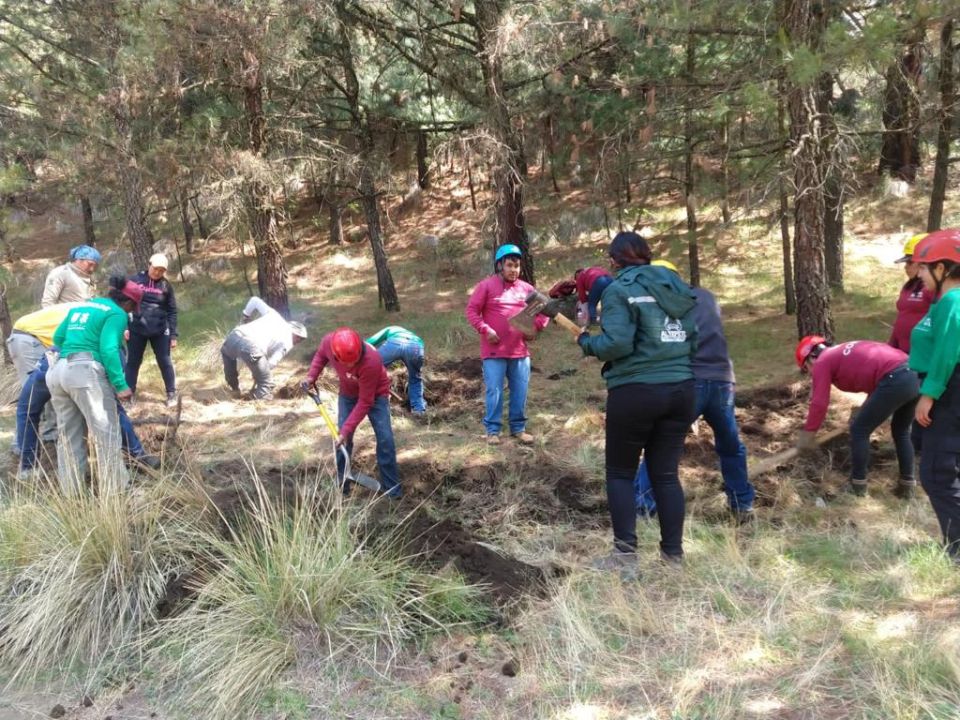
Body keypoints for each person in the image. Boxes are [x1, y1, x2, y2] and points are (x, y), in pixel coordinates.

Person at [577, 232, 698, 571]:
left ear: (615, 260)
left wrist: (587, 343)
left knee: (619, 472)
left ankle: (625, 555)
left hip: (636, 391)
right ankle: (673, 556)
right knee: (665, 475)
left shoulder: (619, 289)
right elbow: (694, 340)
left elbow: (617, 344)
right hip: (681, 390)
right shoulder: (676, 286)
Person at [634, 259, 756, 523]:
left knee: (660, 445)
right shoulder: (707, 296)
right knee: (730, 444)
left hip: (690, 381)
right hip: (724, 381)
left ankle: (643, 505)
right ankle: (742, 502)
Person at [45, 276, 143, 494]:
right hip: (85, 373)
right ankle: (116, 491)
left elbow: (58, 337)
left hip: (58, 371)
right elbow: (108, 349)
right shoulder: (116, 314)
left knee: (69, 436)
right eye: (132, 307)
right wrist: (120, 385)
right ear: (127, 303)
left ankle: (72, 492)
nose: (130, 311)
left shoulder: (84, 306)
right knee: (105, 431)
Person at [795, 337, 920, 498]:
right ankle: (907, 486)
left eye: (806, 368)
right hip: (913, 373)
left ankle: (857, 486)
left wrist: (808, 434)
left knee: (859, 430)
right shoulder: (840, 353)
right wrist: (864, 410)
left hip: (895, 377)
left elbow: (819, 404)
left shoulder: (822, 362)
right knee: (901, 431)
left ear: (812, 357)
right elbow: (876, 381)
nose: (810, 373)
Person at [16, 353, 160, 478]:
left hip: (51, 364)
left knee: (27, 411)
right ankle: (136, 459)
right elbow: (112, 358)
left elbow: (58, 337)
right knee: (112, 411)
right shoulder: (112, 330)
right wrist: (120, 386)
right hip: (79, 369)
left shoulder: (71, 326)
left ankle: (29, 469)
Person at [907, 229, 960, 560]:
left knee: (937, 473)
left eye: (924, 268)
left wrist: (930, 393)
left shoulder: (954, 301)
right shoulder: (945, 301)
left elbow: (947, 352)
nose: (919, 275)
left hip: (949, 389)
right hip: (944, 387)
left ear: (943, 269)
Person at [302, 327, 401, 498]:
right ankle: (342, 484)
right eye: (346, 363)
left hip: (375, 395)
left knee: (385, 438)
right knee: (342, 440)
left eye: (354, 362)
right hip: (347, 394)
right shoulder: (329, 343)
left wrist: (346, 430)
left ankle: (392, 488)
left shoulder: (371, 360)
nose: (350, 367)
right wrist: (312, 377)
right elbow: (320, 356)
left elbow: (365, 402)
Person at [465, 244, 547, 445]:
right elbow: (472, 311)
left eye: (517, 266)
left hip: (519, 351)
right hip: (494, 351)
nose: (514, 270)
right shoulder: (486, 286)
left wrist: (534, 328)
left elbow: (543, 311)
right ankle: (493, 431)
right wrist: (486, 329)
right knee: (494, 390)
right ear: (500, 265)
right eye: (510, 265)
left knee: (521, 389)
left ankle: (518, 429)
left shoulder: (526, 289)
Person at [6, 302, 82, 452]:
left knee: (49, 386)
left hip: (31, 337)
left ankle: (50, 436)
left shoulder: (84, 309)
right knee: (34, 394)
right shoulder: (91, 315)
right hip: (29, 339)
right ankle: (21, 445)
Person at [220, 297, 308, 400]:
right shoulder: (288, 341)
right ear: (296, 334)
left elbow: (254, 300)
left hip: (233, 336)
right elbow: (272, 362)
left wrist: (245, 317)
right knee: (267, 384)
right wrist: (261, 374)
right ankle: (254, 399)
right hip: (252, 346)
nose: (297, 342)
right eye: (299, 339)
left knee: (228, 357)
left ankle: (234, 389)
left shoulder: (274, 315)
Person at [126, 253, 179, 407]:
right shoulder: (135, 281)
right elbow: (122, 305)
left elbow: (172, 311)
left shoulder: (166, 286)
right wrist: (124, 327)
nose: (157, 273)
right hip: (136, 328)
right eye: (156, 269)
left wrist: (173, 335)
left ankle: (171, 393)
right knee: (133, 362)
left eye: (162, 271)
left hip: (160, 330)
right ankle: (129, 396)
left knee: (165, 361)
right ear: (149, 265)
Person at [365, 325, 427, 417]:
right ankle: (419, 410)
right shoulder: (415, 337)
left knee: (372, 369)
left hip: (394, 344)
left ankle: (369, 402)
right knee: (415, 378)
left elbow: (370, 342)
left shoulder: (391, 329)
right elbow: (421, 347)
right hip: (416, 347)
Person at [889, 234, 934, 353]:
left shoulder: (934, 288)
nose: (905, 267)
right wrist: (891, 346)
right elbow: (902, 317)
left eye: (909, 263)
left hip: (923, 354)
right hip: (903, 352)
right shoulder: (908, 286)